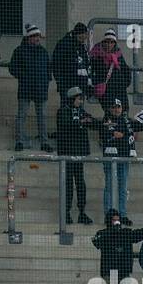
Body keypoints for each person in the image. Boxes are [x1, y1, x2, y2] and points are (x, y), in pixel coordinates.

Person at [91, 210, 142, 284]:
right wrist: (113, 231)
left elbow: (139, 235)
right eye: (114, 220)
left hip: (124, 273)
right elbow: (96, 242)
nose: (116, 222)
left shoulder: (126, 233)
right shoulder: (103, 233)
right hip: (108, 273)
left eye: (118, 220)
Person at [57, 86, 98, 225]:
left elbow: (94, 122)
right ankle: (66, 212)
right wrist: (80, 122)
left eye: (82, 99)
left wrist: (95, 122)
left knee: (80, 183)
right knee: (68, 183)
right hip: (67, 154)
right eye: (79, 99)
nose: (81, 101)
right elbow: (64, 125)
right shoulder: (63, 111)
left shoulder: (82, 112)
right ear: (72, 98)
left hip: (79, 153)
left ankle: (82, 212)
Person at [9, 24, 51, 151]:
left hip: (40, 88)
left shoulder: (43, 52)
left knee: (42, 116)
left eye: (38, 36)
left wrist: (46, 81)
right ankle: (20, 140)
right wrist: (24, 76)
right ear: (29, 37)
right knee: (22, 115)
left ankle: (44, 141)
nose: (37, 38)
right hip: (26, 88)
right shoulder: (19, 51)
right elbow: (13, 68)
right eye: (35, 36)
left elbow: (48, 69)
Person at [99, 98, 141, 223]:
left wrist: (123, 135)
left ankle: (122, 215)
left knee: (123, 187)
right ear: (110, 109)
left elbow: (133, 133)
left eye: (119, 107)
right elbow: (109, 134)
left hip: (124, 157)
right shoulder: (106, 120)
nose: (117, 109)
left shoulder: (126, 120)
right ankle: (108, 215)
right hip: (110, 158)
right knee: (109, 186)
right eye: (114, 107)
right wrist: (124, 136)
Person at [88, 28, 129, 114]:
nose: (109, 44)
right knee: (110, 111)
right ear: (103, 42)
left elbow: (125, 69)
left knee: (123, 110)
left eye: (111, 42)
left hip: (119, 88)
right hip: (106, 89)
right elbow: (91, 71)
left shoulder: (118, 55)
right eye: (106, 41)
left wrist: (125, 82)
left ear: (114, 43)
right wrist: (97, 83)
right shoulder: (96, 55)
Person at [50, 22, 91, 102]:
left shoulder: (82, 46)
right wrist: (60, 81)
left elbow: (86, 63)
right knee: (67, 108)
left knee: (79, 109)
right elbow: (56, 63)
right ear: (77, 33)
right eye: (82, 34)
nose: (84, 37)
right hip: (67, 84)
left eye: (85, 34)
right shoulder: (63, 44)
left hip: (81, 85)